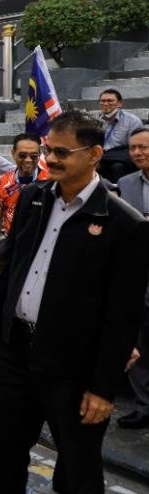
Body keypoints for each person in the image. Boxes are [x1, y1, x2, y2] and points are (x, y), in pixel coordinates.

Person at [0, 110, 149, 494]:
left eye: (62, 153)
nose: (50, 159)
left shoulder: (125, 224)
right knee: (7, 456)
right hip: (15, 356)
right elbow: (10, 269)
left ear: (95, 154)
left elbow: (123, 315)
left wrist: (103, 388)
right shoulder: (32, 198)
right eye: (49, 150)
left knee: (77, 468)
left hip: (74, 369)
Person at [113, 126, 149, 430]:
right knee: (135, 341)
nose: (136, 153)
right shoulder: (125, 183)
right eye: (133, 148)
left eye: (143, 147)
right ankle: (143, 405)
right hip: (136, 275)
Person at [0, 132, 48, 276]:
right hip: (12, 247)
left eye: (33, 156)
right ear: (13, 153)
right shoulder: (2, 182)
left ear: (40, 155)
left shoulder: (50, 181)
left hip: (42, 248)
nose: (28, 160)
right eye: (22, 155)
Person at [96, 88, 141, 182]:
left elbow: (134, 146)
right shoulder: (95, 121)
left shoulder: (132, 121)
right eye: (103, 101)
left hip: (120, 156)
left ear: (120, 103)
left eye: (110, 101)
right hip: (100, 154)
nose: (105, 103)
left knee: (117, 166)